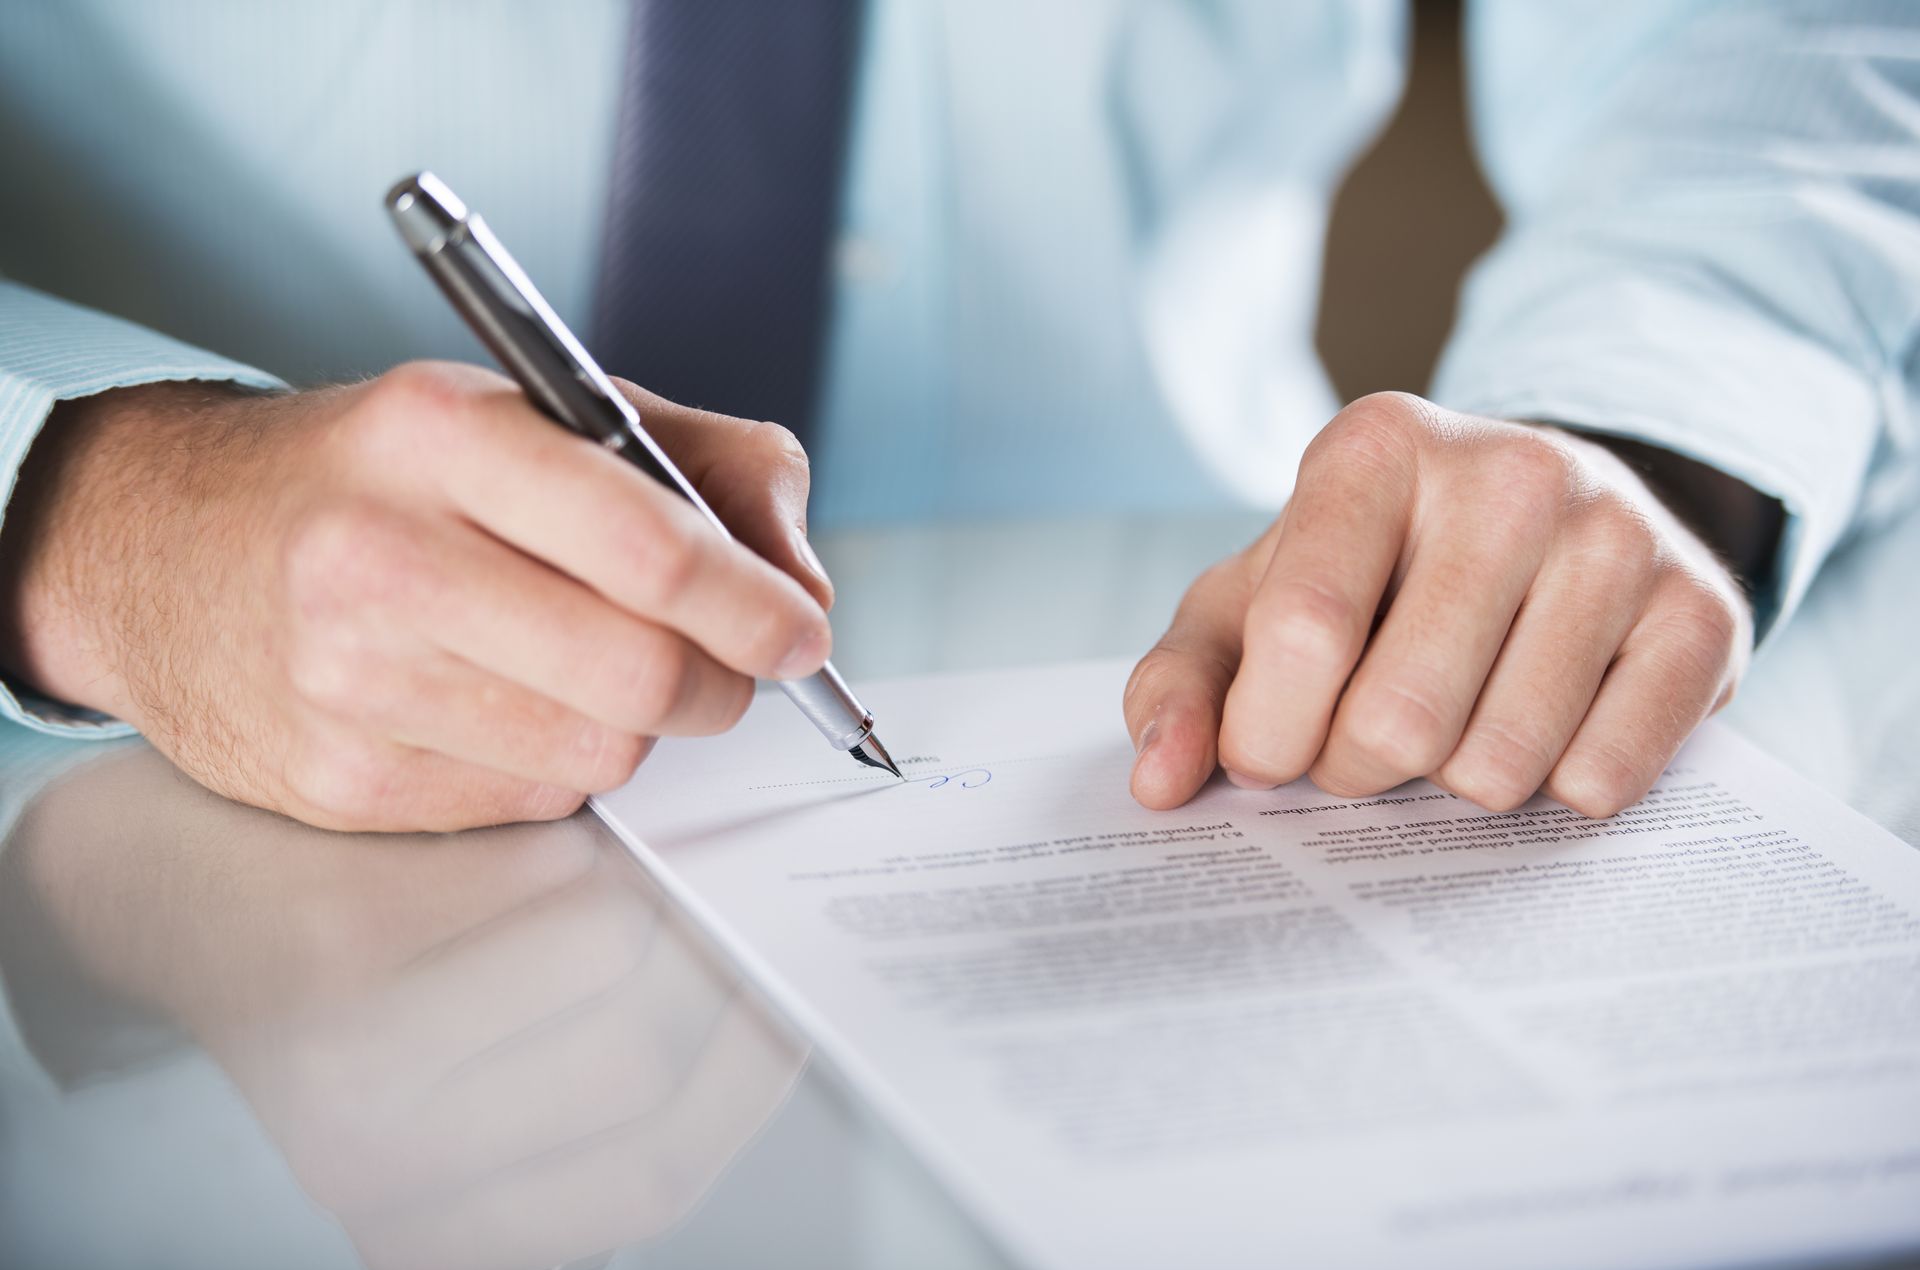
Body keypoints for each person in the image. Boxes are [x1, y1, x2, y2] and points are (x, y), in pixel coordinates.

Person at [0, 1, 1913, 832]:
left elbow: (1757, 31)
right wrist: (87, 508)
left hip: (1258, 662)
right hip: (154, 836)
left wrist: (1634, 435)